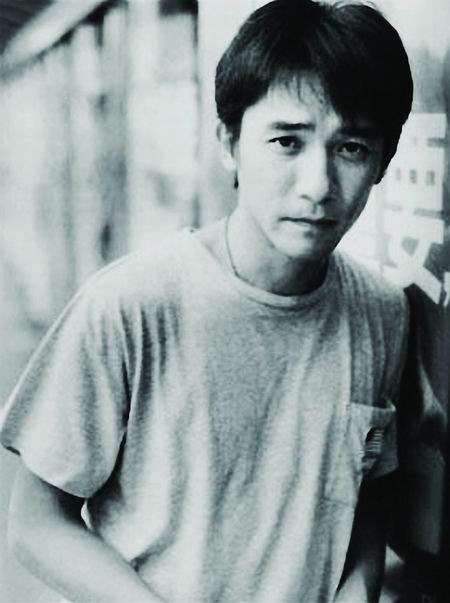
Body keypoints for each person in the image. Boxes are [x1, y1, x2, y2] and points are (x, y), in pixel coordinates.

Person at [0, 0, 413, 601]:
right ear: (229, 143)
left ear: (382, 163)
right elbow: (37, 525)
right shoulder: (132, 304)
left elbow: (367, 501)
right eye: (287, 141)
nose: (318, 185)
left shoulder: (382, 311)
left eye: (350, 147)